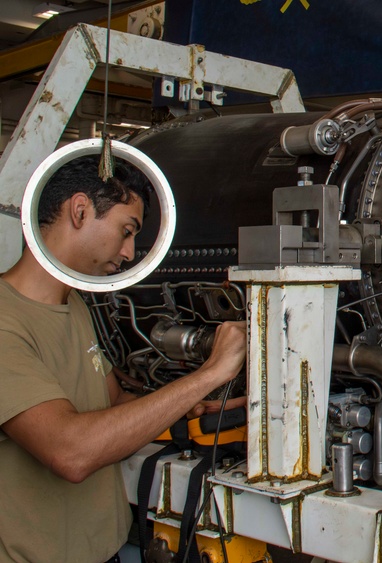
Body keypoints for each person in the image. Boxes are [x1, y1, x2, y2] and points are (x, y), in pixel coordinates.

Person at [0, 156, 247, 563]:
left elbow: (114, 405)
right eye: (126, 231)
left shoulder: (73, 303)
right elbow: (71, 452)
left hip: (107, 550)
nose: (130, 252)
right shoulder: (7, 320)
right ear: (79, 211)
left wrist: (198, 410)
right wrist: (209, 374)